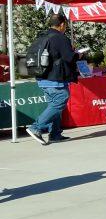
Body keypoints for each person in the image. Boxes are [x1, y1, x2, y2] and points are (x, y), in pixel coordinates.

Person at [24, 13, 77, 145]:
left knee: (54, 104)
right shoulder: (60, 38)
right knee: (61, 99)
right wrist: (77, 54)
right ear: (62, 24)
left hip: (42, 77)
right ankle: (36, 127)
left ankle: (55, 134)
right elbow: (69, 58)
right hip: (55, 78)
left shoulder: (42, 36)